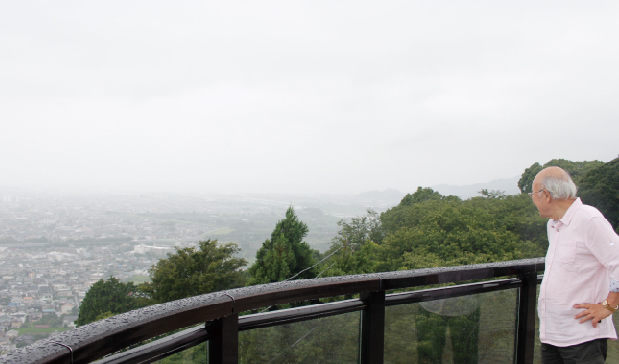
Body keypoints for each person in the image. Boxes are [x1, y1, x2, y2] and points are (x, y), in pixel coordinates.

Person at [532, 166, 619, 363]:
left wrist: (609, 305)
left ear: (545, 195)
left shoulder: (588, 219)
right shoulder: (554, 225)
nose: (532, 199)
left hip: (583, 337)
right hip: (552, 335)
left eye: (533, 193)